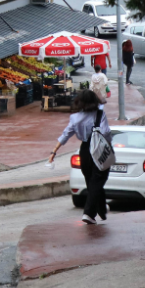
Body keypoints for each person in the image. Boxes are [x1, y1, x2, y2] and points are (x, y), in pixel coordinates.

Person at [50, 90, 112, 224]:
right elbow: (106, 132)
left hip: (84, 150)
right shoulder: (100, 114)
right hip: (98, 148)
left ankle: (101, 209)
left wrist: (54, 152)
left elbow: (65, 134)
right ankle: (89, 213)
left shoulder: (75, 117)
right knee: (99, 178)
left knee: (91, 180)